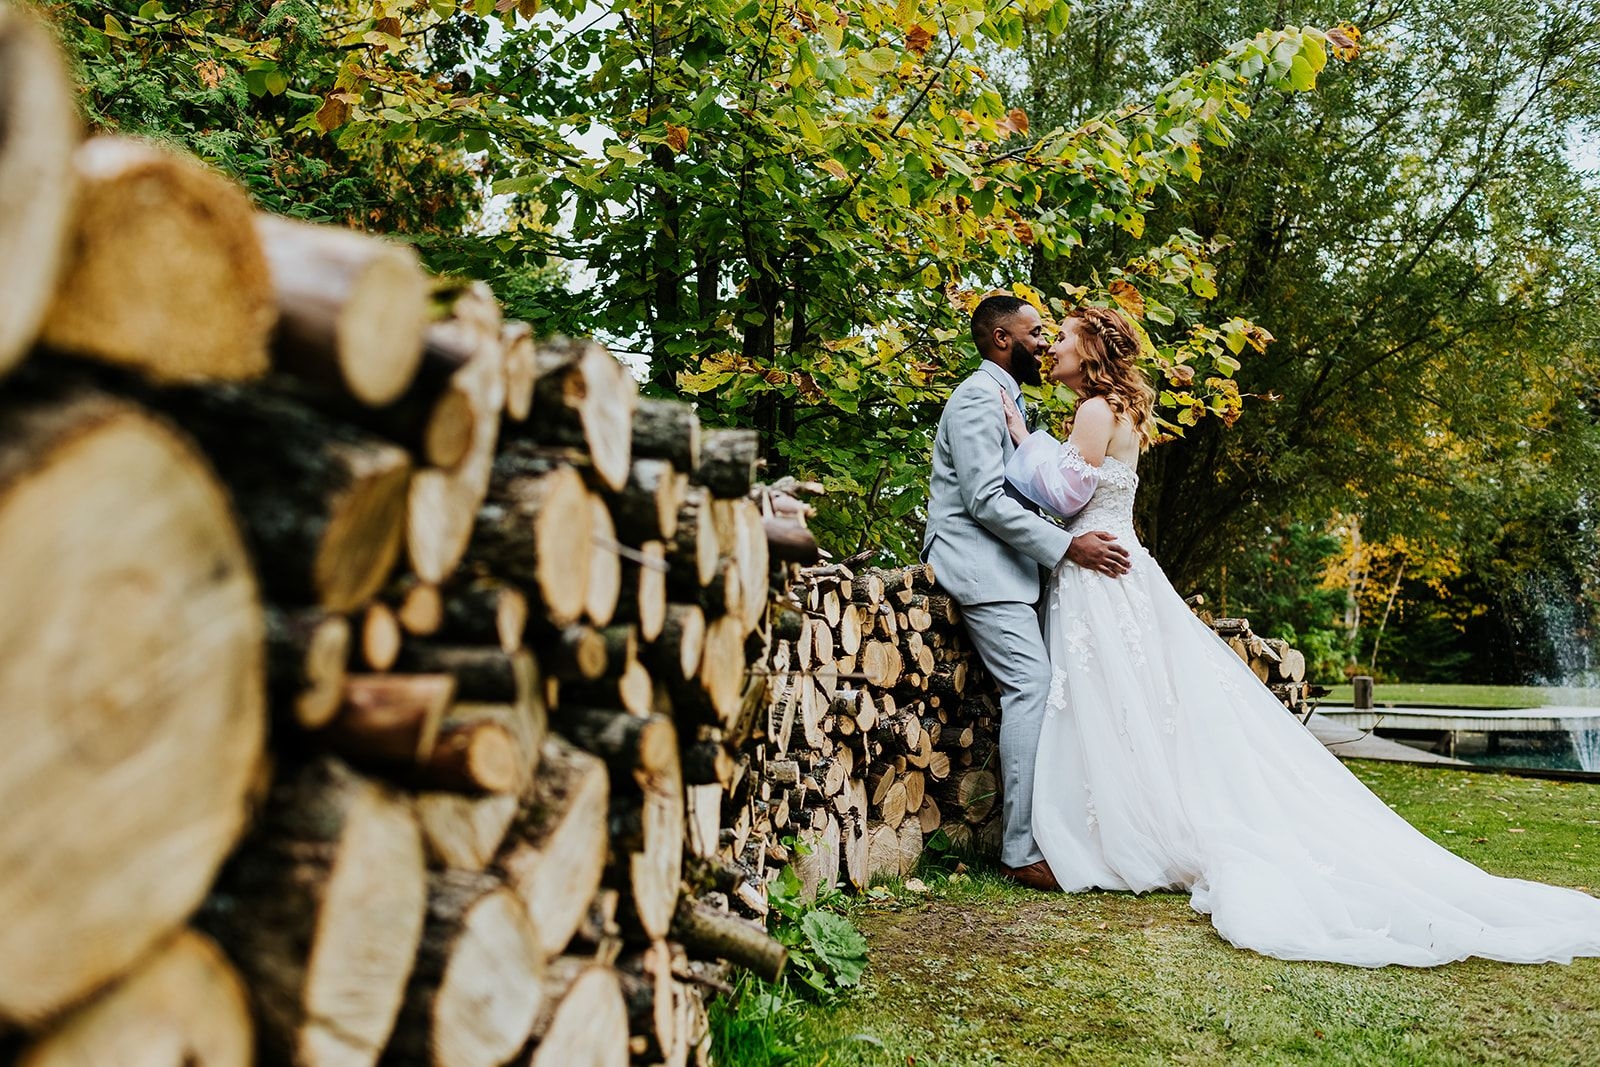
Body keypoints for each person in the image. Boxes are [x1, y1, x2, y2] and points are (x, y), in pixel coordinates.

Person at [1000, 304, 1600, 965]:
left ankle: (1101, 838)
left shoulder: (1091, 411)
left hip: (1099, 572)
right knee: (1130, 706)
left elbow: (1060, 495)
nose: (1052, 345)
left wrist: (1021, 442)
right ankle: (1122, 827)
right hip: (1122, 566)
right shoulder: (1122, 409)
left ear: (1092, 348)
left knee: (1101, 701)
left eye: (1062, 336)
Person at [922, 294, 1131, 891]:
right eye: (1036, 332)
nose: (1045, 343)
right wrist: (1069, 548)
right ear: (1002, 341)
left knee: (1046, 685)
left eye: (1050, 333)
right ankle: (1018, 850)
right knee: (1033, 684)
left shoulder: (1008, 400)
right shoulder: (975, 398)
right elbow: (984, 500)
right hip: (980, 566)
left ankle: (1050, 830)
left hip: (1014, 567)